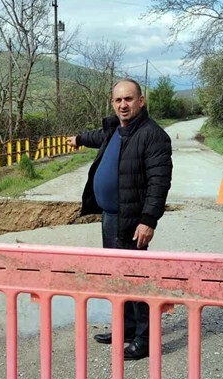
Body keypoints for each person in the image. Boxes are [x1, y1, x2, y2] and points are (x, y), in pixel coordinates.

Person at [65, 78, 172, 361]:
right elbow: (96, 137)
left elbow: (159, 183)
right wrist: (77, 139)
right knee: (118, 277)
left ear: (141, 100)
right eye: (118, 100)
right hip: (110, 217)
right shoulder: (116, 130)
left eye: (128, 99)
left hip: (132, 220)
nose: (123, 105)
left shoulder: (153, 135)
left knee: (135, 279)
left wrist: (148, 220)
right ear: (113, 103)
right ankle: (126, 328)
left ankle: (145, 339)